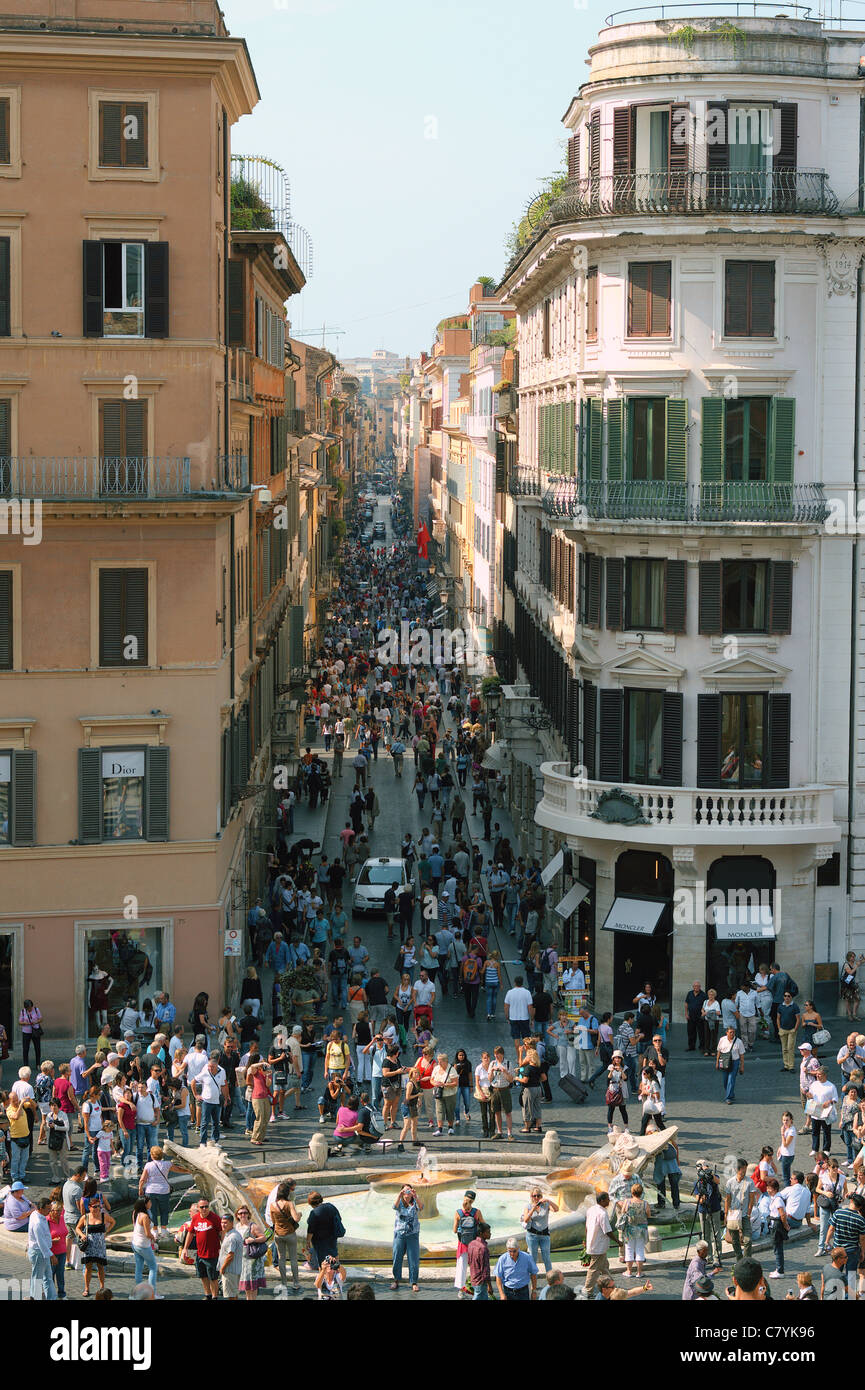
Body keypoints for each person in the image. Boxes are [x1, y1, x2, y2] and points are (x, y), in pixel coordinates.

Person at [181, 1197, 222, 1300]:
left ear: (209, 1207)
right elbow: (190, 1233)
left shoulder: (215, 1218)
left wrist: (224, 1249)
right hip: (200, 1253)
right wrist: (185, 1248)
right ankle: (207, 1295)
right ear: (198, 1208)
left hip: (212, 1254)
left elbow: (222, 1234)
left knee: (213, 1278)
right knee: (202, 1276)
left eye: (206, 1207)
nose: (204, 1209)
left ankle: (214, 1296)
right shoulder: (195, 1218)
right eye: (202, 1207)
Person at [75, 1191, 114, 1296]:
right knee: (88, 1267)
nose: (97, 1208)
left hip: (100, 1245)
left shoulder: (103, 1216)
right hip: (89, 1245)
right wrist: (82, 1235)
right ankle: (86, 1288)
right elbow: (77, 1228)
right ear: (89, 1207)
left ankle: (102, 1288)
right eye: (94, 1207)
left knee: (100, 1266)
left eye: (98, 1206)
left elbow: (113, 1222)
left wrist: (106, 1232)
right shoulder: (85, 1217)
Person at [270, 1179, 301, 1293]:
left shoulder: (273, 1205)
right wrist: (300, 1214)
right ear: (287, 1193)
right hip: (290, 1234)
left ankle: (284, 1283)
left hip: (278, 1235)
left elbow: (273, 1221)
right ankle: (296, 1283)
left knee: (281, 1259)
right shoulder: (289, 1204)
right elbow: (296, 1218)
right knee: (293, 1259)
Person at [390, 1183, 422, 1292]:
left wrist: (416, 1196)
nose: (407, 1193)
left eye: (409, 1190)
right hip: (399, 1234)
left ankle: (414, 1282)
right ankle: (396, 1280)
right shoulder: (399, 1203)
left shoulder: (414, 1203)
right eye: (405, 1190)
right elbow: (394, 1207)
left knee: (413, 1259)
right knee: (397, 1257)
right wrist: (399, 1196)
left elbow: (421, 1207)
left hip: (412, 1234)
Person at [453, 1189, 485, 1296]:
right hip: (474, 1244)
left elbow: (454, 1230)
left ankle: (461, 1291)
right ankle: (476, 1289)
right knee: (475, 1267)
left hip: (462, 1245)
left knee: (461, 1268)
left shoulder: (458, 1213)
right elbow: (484, 1226)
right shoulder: (477, 1212)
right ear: (473, 1201)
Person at [724, 1157, 756, 1260]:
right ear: (738, 1169)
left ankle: (746, 1260)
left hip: (745, 1214)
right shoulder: (730, 1182)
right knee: (735, 1240)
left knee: (748, 1240)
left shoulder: (750, 1182)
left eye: (746, 1169)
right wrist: (726, 1214)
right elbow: (727, 1199)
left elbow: (752, 1199)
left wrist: (749, 1212)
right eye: (743, 1169)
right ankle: (739, 1258)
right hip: (733, 1215)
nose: (745, 1172)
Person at [693, 1167, 724, 1273]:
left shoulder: (713, 1178)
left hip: (714, 1209)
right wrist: (701, 1199)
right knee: (705, 1235)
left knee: (716, 1234)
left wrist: (710, 1174)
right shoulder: (697, 1182)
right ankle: (708, 1257)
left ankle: (717, 1258)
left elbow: (718, 1180)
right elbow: (697, 1197)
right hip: (703, 1210)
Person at [522, 1186, 558, 1274]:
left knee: (547, 1258)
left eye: (538, 1196)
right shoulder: (528, 1206)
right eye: (534, 1196)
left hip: (544, 1235)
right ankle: (533, 1285)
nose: (536, 1198)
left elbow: (556, 1209)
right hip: (532, 1235)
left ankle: (551, 1282)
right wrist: (533, 1209)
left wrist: (548, 1201)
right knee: (533, 1259)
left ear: (541, 1196)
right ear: (531, 1196)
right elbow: (525, 1219)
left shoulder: (546, 1205)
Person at [306, 1190, 344, 1270]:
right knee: (334, 1254)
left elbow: (310, 1231)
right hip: (332, 1237)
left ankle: (324, 1277)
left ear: (311, 1203)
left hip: (320, 1241)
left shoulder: (314, 1213)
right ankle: (337, 1271)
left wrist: (308, 1242)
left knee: (322, 1260)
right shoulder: (331, 1206)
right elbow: (339, 1218)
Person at [236, 1204, 267, 1300]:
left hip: (252, 1259)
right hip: (242, 1259)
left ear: (248, 1214)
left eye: (245, 1213)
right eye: (240, 1213)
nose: (243, 1215)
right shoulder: (236, 1226)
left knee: (252, 1284)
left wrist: (253, 1240)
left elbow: (264, 1238)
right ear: (237, 1215)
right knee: (246, 1284)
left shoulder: (253, 1226)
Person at [494, 1237, 538, 1301]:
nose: (512, 1254)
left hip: (523, 1291)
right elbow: (498, 1276)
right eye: (510, 1251)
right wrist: (501, 1294)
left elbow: (533, 1273)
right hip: (508, 1292)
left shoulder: (527, 1257)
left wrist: (534, 1291)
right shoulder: (502, 1259)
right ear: (507, 1249)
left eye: (514, 1251)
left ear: (518, 1248)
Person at [808, 1066, 839, 1155]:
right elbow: (811, 1095)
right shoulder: (814, 1084)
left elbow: (835, 1098)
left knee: (826, 1131)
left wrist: (829, 1101)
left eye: (819, 1074)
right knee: (815, 1130)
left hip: (826, 1111)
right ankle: (815, 1148)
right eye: (817, 1074)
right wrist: (808, 1095)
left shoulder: (831, 1086)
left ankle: (826, 1149)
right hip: (815, 1109)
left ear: (825, 1075)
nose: (817, 1076)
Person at [130, 1197, 158, 1294]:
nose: (151, 1203)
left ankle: (139, 1291)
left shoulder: (135, 1213)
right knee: (153, 1267)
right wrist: (154, 1237)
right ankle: (152, 1293)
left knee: (139, 1267)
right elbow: (147, 1234)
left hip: (135, 1243)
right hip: (143, 1245)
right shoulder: (145, 1216)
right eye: (149, 1202)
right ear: (145, 1204)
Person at [765, 1179, 789, 1278]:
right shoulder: (775, 1198)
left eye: (769, 1188)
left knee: (778, 1248)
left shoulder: (778, 1199)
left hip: (777, 1224)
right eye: (767, 1188)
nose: (768, 1190)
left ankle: (780, 1271)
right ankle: (779, 1269)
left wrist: (785, 1225)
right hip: (775, 1223)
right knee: (777, 1247)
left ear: (775, 1189)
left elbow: (782, 1214)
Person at [716, 1024, 745, 1104]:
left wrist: (741, 1066)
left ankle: (728, 1098)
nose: (732, 1034)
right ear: (727, 1033)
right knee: (725, 1081)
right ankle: (731, 1093)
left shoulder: (739, 1042)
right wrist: (717, 1062)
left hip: (734, 1062)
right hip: (724, 1061)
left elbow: (741, 1055)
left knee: (731, 1080)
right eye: (730, 1032)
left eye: (733, 1032)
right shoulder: (722, 1040)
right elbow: (719, 1051)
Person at [218, 1212, 244, 1301]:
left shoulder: (232, 1237)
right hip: (234, 1269)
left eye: (225, 1223)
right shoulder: (231, 1233)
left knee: (231, 1295)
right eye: (222, 1222)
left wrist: (222, 1268)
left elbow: (230, 1255)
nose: (223, 1225)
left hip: (230, 1270)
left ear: (232, 1223)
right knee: (233, 1293)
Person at [467, 1220, 493, 1300]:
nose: (490, 1234)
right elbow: (485, 1269)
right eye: (488, 1232)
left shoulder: (471, 1244)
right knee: (478, 1296)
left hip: (474, 1277)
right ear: (481, 1233)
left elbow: (469, 1261)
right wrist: (489, 1285)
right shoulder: (483, 1248)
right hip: (481, 1281)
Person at [777, 990, 801, 1072]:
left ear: (791, 997)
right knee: (784, 1049)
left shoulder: (795, 1006)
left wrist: (795, 1029)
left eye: (788, 996)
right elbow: (778, 1018)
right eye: (785, 996)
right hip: (783, 1029)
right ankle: (786, 1065)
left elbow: (798, 1019)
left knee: (790, 1048)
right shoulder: (781, 1006)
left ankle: (791, 1066)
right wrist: (779, 1028)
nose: (786, 997)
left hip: (791, 1030)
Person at [504, 975, 534, 1040]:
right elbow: (530, 1007)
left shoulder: (509, 992)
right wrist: (532, 1019)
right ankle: (527, 1050)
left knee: (516, 1037)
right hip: (524, 1018)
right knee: (526, 1038)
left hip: (513, 1018)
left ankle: (518, 1050)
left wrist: (507, 1017)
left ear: (514, 982)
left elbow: (506, 1006)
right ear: (522, 983)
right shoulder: (527, 992)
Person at [840, 950, 865, 1021]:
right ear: (849, 957)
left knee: (857, 999)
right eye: (852, 957)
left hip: (854, 984)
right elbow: (850, 972)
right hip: (847, 984)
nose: (854, 958)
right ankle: (849, 1015)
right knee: (847, 999)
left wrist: (862, 958)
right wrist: (856, 966)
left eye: (854, 957)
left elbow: (863, 961)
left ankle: (854, 1014)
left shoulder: (855, 963)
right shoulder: (846, 964)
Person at [684, 982, 707, 1053]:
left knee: (701, 1033)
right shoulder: (689, 993)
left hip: (700, 1017)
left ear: (700, 987)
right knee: (691, 1032)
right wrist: (686, 1013)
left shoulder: (703, 995)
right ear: (693, 987)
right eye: (695, 986)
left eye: (698, 986)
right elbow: (686, 1003)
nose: (696, 987)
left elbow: (706, 1005)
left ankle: (702, 1047)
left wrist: (703, 1014)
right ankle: (691, 1046)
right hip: (691, 1016)